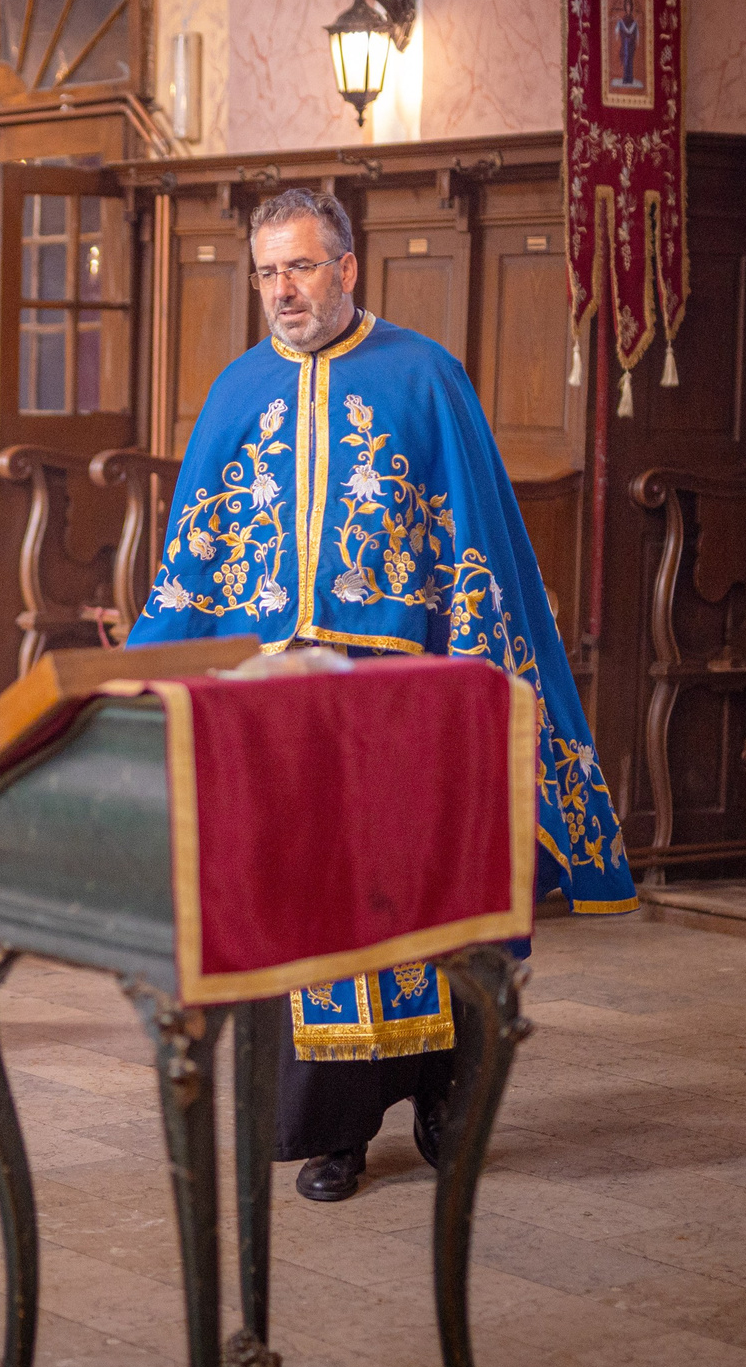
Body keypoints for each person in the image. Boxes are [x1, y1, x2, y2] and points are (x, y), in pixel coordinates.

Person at [125, 187, 635, 1202]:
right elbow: (190, 567)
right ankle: (336, 1133)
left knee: (426, 907)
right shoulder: (235, 393)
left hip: (405, 703)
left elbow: (482, 549)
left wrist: (482, 690)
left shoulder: (424, 378)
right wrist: (140, 675)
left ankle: (447, 1104)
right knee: (311, 923)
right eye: (267, 271)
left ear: (348, 269)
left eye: (301, 267)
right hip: (283, 714)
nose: (281, 290)